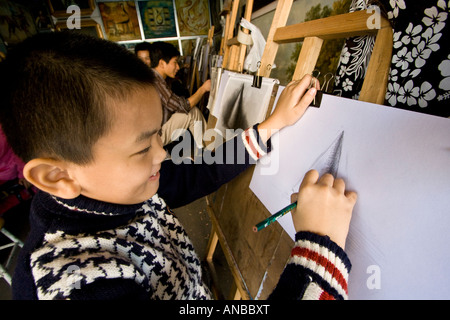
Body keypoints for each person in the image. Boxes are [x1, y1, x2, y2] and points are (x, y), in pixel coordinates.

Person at [0, 32, 356, 300]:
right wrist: (317, 247)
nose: (162, 153)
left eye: (158, 135)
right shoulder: (75, 284)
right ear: (57, 176)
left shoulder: (116, 188)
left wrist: (270, 126)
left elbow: (199, 173)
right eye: (142, 147)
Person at [149, 41, 210, 148]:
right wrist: (203, 89)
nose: (177, 67)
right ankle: (209, 150)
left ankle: (205, 149)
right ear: (162, 63)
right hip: (154, 138)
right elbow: (183, 106)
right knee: (192, 113)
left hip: (150, 135)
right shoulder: (156, 81)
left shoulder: (153, 77)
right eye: (175, 62)